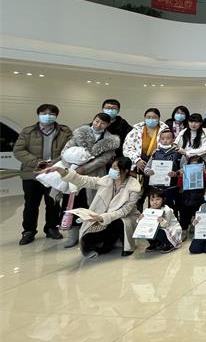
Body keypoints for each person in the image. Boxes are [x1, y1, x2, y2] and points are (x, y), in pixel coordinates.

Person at [46, 157, 141, 258]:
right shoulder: (106, 180)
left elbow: (124, 211)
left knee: (117, 222)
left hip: (125, 218)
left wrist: (103, 217)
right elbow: (84, 180)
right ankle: (108, 240)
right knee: (87, 239)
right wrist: (63, 172)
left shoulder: (134, 187)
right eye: (112, 167)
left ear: (125, 171)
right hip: (102, 217)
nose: (112, 170)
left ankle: (113, 244)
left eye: (115, 168)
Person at [14, 104, 73, 245]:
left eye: (51, 114)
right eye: (44, 113)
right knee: (31, 204)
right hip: (32, 173)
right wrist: (37, 162)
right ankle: (28, 231)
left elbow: (70, 149)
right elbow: (18, 150)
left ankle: (51, 228)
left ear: (56, 116)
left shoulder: (64, 131)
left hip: (54, 173)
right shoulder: (28, 131)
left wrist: (55, 162)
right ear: (38, 114)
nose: (48, 116)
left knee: (53, 203)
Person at [58, 113, 120, 247]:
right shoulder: (80, 132)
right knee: (72, 203)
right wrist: (70, 166)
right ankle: (72, 235)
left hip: (95, 174)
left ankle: (88, 236)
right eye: (97, 121)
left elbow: (103, 159)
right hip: (72, 172)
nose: (98, 125)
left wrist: (84, 169)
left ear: (108, 125)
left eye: (103, 123)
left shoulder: (111, 140)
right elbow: (66, 150)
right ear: (93, 120)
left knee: (91, 205)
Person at [122, 108, 169, 175]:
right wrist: (137, 160)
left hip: (158, 165)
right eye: (148, 117)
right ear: (144, 118)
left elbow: (170, 147)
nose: (151, 119)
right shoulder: (136, 131)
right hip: (139, 164)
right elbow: (127, 148)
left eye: (154, 117)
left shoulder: (165, 131)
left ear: (159, 118)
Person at [143, 128, 182, 208]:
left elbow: (184, 169)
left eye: (168, 138)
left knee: (170, 209)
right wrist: (148, 172)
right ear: (159, 140)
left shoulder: (178, 153)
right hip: (156, 188)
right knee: (155, 209)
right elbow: (147, 167)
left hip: (172, 187)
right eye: (162, 138)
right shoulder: (155, 153)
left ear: (173, 139)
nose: (165, 141)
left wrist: (176, 173)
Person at [176, 155, 206, 234]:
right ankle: (184, 230)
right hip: (186, 195)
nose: (193, 166)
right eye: (191, 164)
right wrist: (181, 176)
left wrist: (205, 172)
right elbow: (179, 185)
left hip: (200, 194)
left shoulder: (203, 170)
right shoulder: (185, 170)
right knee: (184, 214)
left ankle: (195, 226)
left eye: (196, 164)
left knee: (198, 212)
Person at [140, 189, 182, 253]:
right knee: (145, 229)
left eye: (158, 199)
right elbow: (142, 224)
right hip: (159, 228)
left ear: (163, 200)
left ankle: (169, 244)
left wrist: (162, 221)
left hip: (171, 228)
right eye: (152, 200)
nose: (155, 202)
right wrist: (140, 219)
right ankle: (154, 243)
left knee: (158, 231)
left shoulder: (167, 210)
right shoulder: (148, 210)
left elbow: (167, 225)